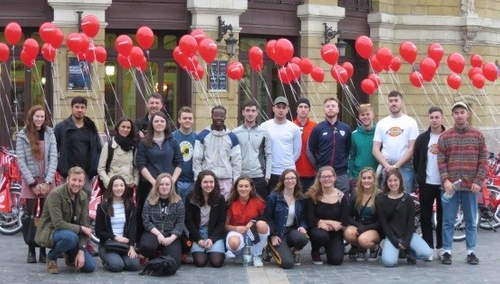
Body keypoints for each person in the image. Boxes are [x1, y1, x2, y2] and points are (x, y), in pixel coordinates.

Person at [437, 101, 488, 265]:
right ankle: (446, 251)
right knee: (448, 220)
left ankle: (471, 251)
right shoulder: (445, 136)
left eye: (462, 112)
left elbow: (484, 160)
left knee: (471, 220)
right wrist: (445, 180)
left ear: (468, 114)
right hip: (450, 187)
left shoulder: (478, 135)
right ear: (452, 115)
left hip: (471, 186)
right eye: (456, 113)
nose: (459, 115)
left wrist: (478, 181)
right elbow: (441, 160)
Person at [54, 96, 102, 255]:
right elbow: (53, 150)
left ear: (85, 109)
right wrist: (60, 169)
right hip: (68, 175)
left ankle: (85, 243)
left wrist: (94, 169)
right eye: (77, 107)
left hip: (86, 176)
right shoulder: (62, 127)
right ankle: (63, 243)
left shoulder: (91, 127)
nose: (79, 110)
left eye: (82, 107)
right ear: (71, 108)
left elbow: (97, 148)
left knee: (84, 211)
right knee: (64, 209)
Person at [34, 166, 96, 274]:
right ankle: (52, 257)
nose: (76, 183)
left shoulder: (83, 196)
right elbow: (58, 224)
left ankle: (70, 255)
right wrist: (81, 228)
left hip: (72, 234)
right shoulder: (56, 194)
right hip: (51, 232)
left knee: (89, 267)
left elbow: (85, 224)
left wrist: (81, 250)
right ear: (67, 179)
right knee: (70, 237)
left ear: (84, 182)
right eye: (74, 180)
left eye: (80, 181)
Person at [16, 105, 57, 263]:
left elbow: (54, 157)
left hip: (47, 179)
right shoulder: (22, 135)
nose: (39, 119)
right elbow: (21, 161)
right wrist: (33, 183)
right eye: (37, 116)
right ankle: (31, 249)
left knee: (45, 216)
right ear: (31, 117)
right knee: (31, 215)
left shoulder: (49, 133)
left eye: (42, 116)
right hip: (30, 181)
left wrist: (47, 181)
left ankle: (43, 249)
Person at [136, 111, 183, 241]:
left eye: (162, 121)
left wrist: (172, 181)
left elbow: (179, 162)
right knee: (148, 215)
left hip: (170, 186)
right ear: (152, 124)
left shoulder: (172, 141)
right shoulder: (144, 142)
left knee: (172, 213)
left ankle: (172, 242)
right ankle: (145, 244)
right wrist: (153, 182)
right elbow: (141, 164)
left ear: (166, 124)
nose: (159, 123)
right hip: (149, 185)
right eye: (156, 121)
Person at [377, 169, 432, 267]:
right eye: (390, 180)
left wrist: (406, 241)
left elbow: (411, 223)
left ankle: (410, 252)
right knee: (389, 262)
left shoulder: (408, 199)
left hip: (408, 235)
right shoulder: (381, 200)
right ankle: (398, 250)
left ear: (400, 181)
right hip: (392, 236)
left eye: (395, 180)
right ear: (386, 182)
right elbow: (384, 224)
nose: (393, 183)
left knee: (426, 254)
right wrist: (394, 241)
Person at [413, 106, 445, 261]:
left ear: (442, 118)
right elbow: (416, 159)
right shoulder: (422, 139)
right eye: (431, 117)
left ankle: (441, 247)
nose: (434, 120)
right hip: (426, 182)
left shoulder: (448, 136)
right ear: (429, 119)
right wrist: (419, 178)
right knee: (425, 217)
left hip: (444, 184)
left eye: (437, 117)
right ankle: (428, 248)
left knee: (443, 216)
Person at [372, 91, 418, 193]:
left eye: (396, 100)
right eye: (391, 101)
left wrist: (396, 166)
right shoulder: (381, 123)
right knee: (383, 198)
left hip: (405, 167)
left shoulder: (411, 122)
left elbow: (412, 149)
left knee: (405, 199)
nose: (393, 103)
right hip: (385, 167)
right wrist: (387, 166)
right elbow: (375, 149)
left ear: (402, 102)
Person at [193, 105, 242, 199]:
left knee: (224, 208)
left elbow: (237, 162)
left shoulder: (232, 137)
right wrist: (197, 180)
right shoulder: (203, 136)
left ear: (225, 117)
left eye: (221, 116)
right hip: (208, 180)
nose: (218, 118)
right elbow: (197, 160)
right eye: (216, 116)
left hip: (226, 179)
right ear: (211, 116)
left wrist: (235, 182)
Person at [139, 173, 185, 267]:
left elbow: (180, 224)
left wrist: (171, 238)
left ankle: (160, 255)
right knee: (147, 247)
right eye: (161, 184)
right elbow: (146, 222)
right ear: (157, 186)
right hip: (153, 233)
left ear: (171, 186)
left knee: (174, 263)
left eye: (167, 184)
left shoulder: (179, 203)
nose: (164, 187)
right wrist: (159, 234)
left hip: (171, 234)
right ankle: (153, 254)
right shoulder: (149, 201)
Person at [264, 169, 308, 268]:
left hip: (292, 230)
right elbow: (267, 218)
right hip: (278, 233)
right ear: (282, 181)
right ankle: (269, 248)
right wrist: (273, 235)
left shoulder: (301, 198)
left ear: (296, 180)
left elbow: (305, 217)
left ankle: (292, 250)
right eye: (287, 178)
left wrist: (303, 226)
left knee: (302, 238)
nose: (290, 181)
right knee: (287, 264)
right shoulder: (274, 197)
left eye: (292, 178)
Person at [95, 175, 140, 272]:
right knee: (117, 266)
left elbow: (133, 227)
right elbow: (98, 231)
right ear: (111, 187)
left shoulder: (130, 204)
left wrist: (132, 246)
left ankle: (121, 259)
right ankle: (109, 260)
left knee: (134, 265)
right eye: (115, 186)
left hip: (125, 245)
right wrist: (115, 237)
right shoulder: (103, 206)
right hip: (108, 245)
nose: (119, 188)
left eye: (121, 185)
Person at [305, 166, 349, 265]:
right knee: (321, 236)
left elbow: (344, 220)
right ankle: (315, 250)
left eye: (329, 176)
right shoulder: (312, 195)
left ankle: (329, 247)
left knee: (336, 260)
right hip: (317, 229)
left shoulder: (341, 196)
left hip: (335, 230)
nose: (327, 179)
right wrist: (329, 222)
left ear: (334, 178)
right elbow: (310, 218)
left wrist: (329, 227)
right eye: (324, 177)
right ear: (319, 179)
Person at [307, 98, 352, 193]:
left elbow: (348, 149)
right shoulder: (317, 129)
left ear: (338, 109)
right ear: (324, 110)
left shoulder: (346, 128)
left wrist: (343, 163)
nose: (330, 108)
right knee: (320, 200)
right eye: (327, 106)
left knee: (343, 202)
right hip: (322, 174)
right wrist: (318, 166)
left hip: (341, 174)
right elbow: (310, 151)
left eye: (333, 106)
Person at [185, 170, 227, 268]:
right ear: (200, 183)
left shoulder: (220, 198)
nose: (208, 185)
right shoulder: (190, 197)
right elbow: (189, 221)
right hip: (197, 232)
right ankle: (203, 250)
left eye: (211, 182)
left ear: (215, 183)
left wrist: (212, 239)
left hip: (213, 233)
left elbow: (221, 222)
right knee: (200, 262)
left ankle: (214, 250)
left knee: (216, 262)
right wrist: (198, 239)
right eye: (205, 182)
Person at [225, 176, 270, 267]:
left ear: (251, 187)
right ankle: (239, 255)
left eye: (246, 186)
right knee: (234, 242)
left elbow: (265, 218)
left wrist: (252, 222)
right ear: (236, 188)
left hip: (253, 232)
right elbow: (225, 226)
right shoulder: (230, 203)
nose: (243, 189)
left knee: (262, 224)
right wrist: (236, 228)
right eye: (240, 186)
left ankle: (257, 256)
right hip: (236, 232)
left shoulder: (259, 202)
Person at [261, 96, 301, 193]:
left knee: (289, 199)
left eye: (284, 107)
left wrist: (287, 163)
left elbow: (297, 151)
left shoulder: (294, 128)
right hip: (271, 172)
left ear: (288, 109)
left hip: (289, 171)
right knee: (271, 201)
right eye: (278, 107)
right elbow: (261, 149)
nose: (281, 110)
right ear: (273, 108)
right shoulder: (264, 126)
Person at [233, 100, 272, 198]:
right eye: (248, 110)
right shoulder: (235, 133)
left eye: (253, 111)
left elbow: (268, 155)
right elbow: (232, 156)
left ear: (257, 113)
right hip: (241, 176)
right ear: (243, 112)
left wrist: (267, 177)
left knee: (260, 208)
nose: (250, 113)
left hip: (259, 176)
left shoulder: (264, 133)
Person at [344, 168, 382, 262]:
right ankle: (361, 248)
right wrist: (360, 226)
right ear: (360, 180)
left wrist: (364, 229)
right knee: (347, 233)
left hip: (375, 227)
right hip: (359, 225)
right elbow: (348, 216)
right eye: (364, 178)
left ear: (374, 180)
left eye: (369, 178)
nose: (366, 180)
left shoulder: (380, 196)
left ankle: (375, 248)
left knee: (363, 239)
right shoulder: (355, 193)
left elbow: (381, 222)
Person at [98, 117, 139, 193]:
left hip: (128, 186)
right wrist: (109, 183)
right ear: (118, 127)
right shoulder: (109, 146)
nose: (125, 129)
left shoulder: (133, 146)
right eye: (123, 127)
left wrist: (135, 181)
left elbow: (136, 167)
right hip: (112, 187)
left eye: (128, 127)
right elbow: (101, 169)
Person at [348, 103, 378, 190]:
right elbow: (352, 156)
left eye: (367, 114)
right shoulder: (355, 135)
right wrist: (350, 176)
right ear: (359, 117)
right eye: (362, 115)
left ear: (373, 115)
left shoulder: (379, 133)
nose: (365, 117)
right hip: (357, 176)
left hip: (375, 176)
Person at [172, 106, 197, 201]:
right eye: (184, 118)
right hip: (176, 180)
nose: (187, 120)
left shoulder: (197, 138)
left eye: (190, 118)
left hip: (192, 181)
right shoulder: (172, 137)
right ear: (179, 119)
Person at [292, 97, 317, 191]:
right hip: (294, 172)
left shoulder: (315, 127)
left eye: (306, 107)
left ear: (309, 110)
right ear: (296, 109)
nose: (303, 109)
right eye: (301, 106)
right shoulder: (290, 126)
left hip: (311, 172)